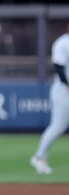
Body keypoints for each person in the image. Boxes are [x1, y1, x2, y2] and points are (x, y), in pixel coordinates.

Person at [30, 23, 69, 174]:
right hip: (63, 90)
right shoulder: (62, 43)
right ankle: (39, 156)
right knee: (58, 126)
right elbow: (59, 68)